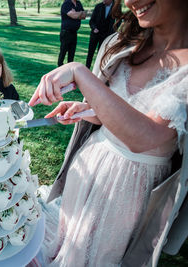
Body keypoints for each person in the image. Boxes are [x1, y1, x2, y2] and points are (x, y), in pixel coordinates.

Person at [28, 0, 188, 265]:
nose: (129, 2)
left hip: (126, 190)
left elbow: (143, 137)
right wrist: (89, 110)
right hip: (91, 163)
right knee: (64, 242)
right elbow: (122, 111)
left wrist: (78, 71)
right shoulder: (123, 42)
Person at [85, 0, 118, 69]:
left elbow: (118, 20)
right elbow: (91, 21)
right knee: (90, 53)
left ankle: (97, 70)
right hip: (95, 34)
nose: (103, 0)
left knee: (101, 55)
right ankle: (86, 69)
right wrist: (94, 28)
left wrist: (113, 31)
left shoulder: (116, 6)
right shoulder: (98, 6)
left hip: (106, 35)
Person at [57, 0, 87, 67]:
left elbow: (84, 16)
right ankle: (59, 69)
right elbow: (74, 16)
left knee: (71, 54)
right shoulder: (66, 3)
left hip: (74, 33)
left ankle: (69, 71)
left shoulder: (78, 3)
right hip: (66, 33)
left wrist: (77, 13)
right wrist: (80, 13)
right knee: (63, 53)